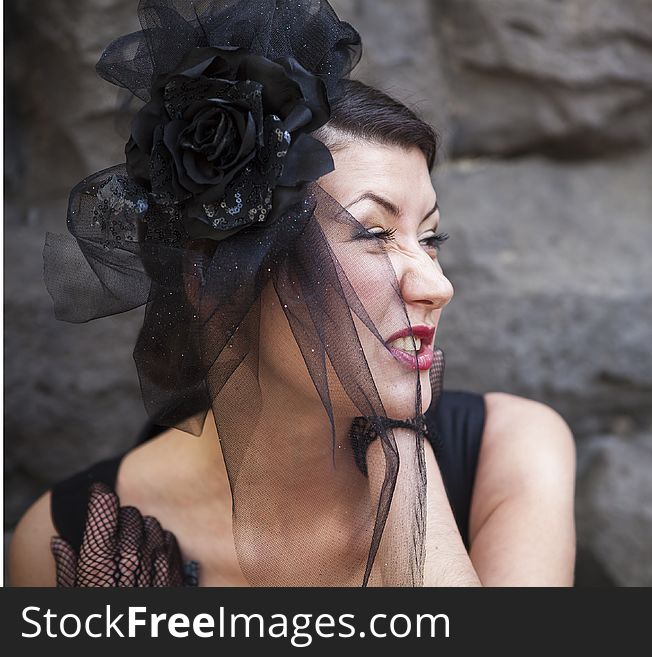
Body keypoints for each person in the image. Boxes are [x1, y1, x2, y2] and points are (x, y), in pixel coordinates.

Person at [9, 0, 575, 587]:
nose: (437, 286)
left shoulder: (512, 452)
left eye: (432, 238)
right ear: (213, 275)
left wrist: (405, 467)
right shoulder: (71, 541)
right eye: (374, 235)